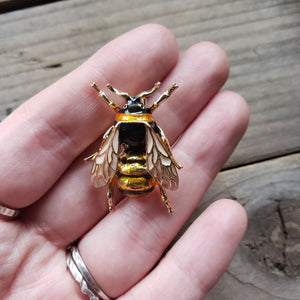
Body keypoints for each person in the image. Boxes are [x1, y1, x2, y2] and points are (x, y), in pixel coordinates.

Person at [0, 24, 249, 299]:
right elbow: (161, 146)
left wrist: (102, 94)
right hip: (142, 176)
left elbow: (105, 157)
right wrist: (164, 95)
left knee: (109, 164)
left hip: (127, 176)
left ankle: (113, 199)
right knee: (147, 161)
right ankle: (156, 197)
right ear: (142, 111)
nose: (134, 104)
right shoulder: (149, 123)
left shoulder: (117, 125)